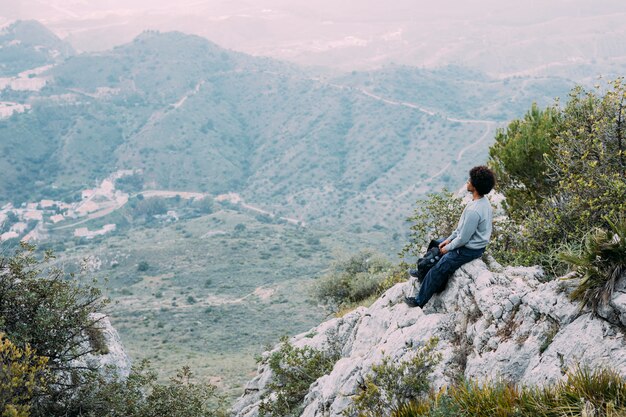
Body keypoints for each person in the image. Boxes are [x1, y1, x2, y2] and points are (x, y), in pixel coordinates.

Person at [404, 165, 495, 308]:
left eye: (470, 180)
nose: (467, 181)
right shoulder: (481, 202)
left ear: (475, 186)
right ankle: (422, 271)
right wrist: (447, 240)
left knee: (440, 267)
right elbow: (460, 229)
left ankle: (419, 301)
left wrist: (448, 248)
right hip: (468, 242)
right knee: (436, 243)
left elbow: (463, 239)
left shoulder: (474, 211)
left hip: (470, 249)